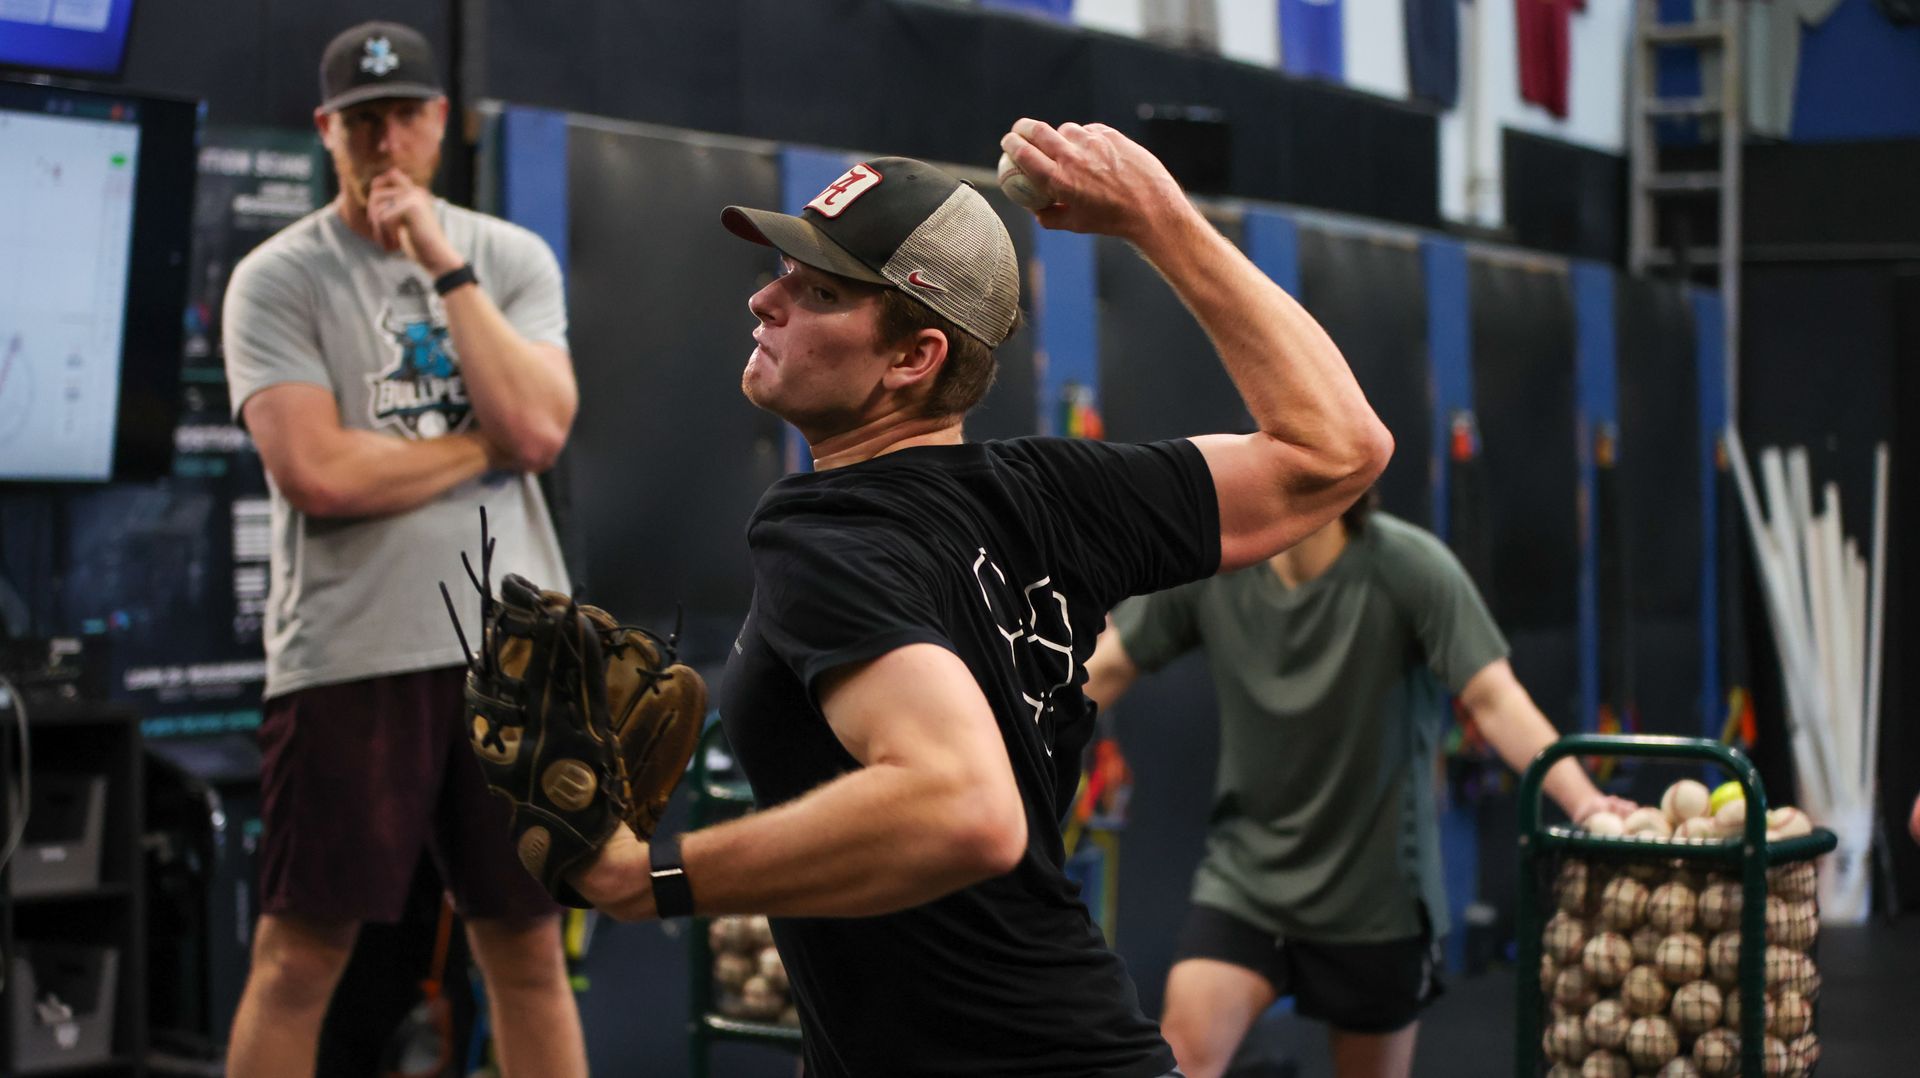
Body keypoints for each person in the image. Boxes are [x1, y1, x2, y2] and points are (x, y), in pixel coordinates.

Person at [562, 119, 1392, 1075]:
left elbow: (967, 809)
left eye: (817, 291)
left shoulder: (829, 536)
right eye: (782, 274)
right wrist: (1158, 219)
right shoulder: (1048, 495)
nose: (764, 298)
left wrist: (649, 878)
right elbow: (1337, 449)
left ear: (912, 359)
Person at [220, 21, 585, 1076]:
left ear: (439, 122)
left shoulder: (508, 257)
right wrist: (482, 444)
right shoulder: (277, 278)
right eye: (362, 121)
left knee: (525, 949)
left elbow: (544, 433)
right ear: (327, 130)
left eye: (405, 116)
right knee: (298, 955)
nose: (386, 142)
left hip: (518, 654)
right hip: (351, 656)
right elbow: (320, 474)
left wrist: (441, 259)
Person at [1080, 496, 1634, 1078]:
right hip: (1248, 884)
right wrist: (998, 732)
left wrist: (1587, 802)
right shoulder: (1221, 566)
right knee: (1184, 1059)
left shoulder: (1411, 567)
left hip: (1377, 902)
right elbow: (1108, 668)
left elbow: (1495, 698)